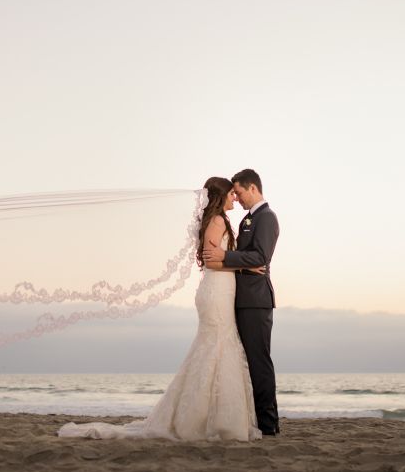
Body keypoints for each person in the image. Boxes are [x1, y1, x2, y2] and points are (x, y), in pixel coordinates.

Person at [57, 176, 264, 441]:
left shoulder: (218, 221)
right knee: (216, 346)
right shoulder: (218, 221)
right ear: (220, 196)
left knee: (216, 347)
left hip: (221, 291)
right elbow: (211, 262)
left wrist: (237, 263)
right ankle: (208, 420)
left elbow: (218, 257)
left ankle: (213, 415)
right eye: (231, 194)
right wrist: (246, 266)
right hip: (216, 292)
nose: (234, 197)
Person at [203, 168, 280, 436]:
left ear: (253, 189)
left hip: (256, 300)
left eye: (239, 192)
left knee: (259, 361)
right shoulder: (247, 219)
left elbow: (259, 256)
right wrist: (237, 263)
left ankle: (269, 425)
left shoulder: (267, 218)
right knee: (244, 362)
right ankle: (254, 419)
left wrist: (227, 257)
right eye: (232, 193)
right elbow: (249, 258)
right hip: (240, 298)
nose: (236, 197)